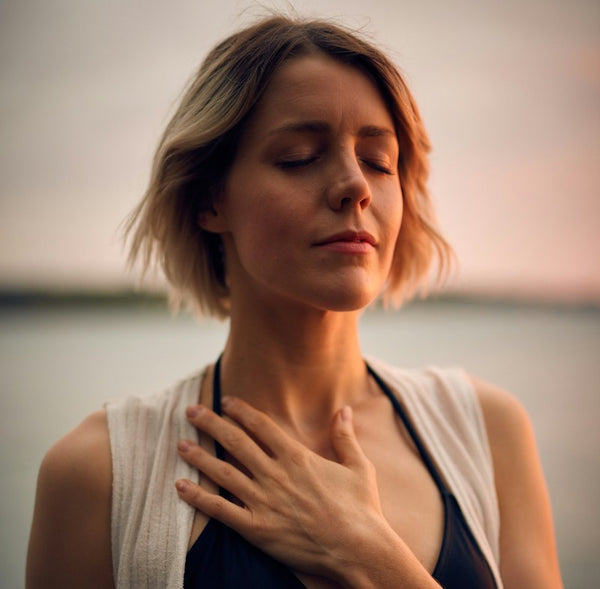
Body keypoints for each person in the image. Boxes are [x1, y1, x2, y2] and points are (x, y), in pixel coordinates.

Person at [26, 15, 563, 589]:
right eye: (300, 157)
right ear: (211, 201)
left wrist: (370, 555)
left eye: (379, 162)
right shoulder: (98, 475)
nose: (355, 185)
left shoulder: (486, 431)